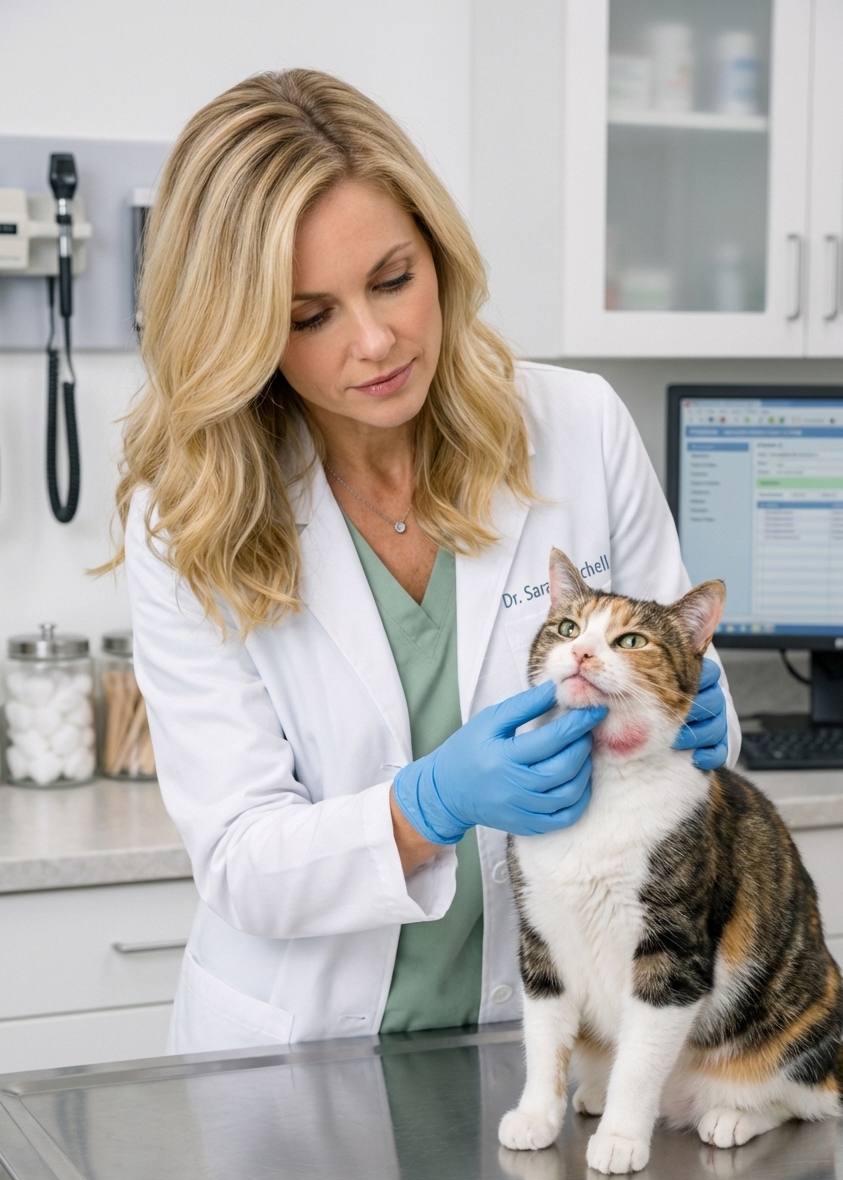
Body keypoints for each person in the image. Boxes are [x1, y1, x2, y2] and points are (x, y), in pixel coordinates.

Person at [114, 69, 738, 1053]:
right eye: (309, 315)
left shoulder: (577, 426)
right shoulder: (189, 518)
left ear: (437, 253)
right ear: (238, 332)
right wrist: (426, 805)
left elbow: (697, 706)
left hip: (543, 1033)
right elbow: (240, 861)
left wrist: (703, 715)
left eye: (394, 277)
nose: (375, 340)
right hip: (298, 1058)